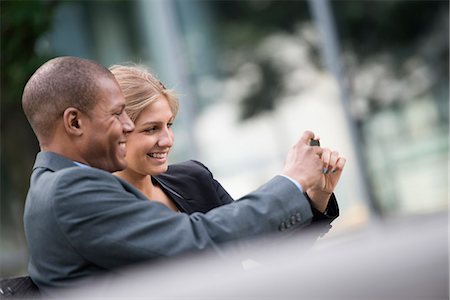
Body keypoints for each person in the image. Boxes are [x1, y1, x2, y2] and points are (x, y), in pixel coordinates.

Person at [22, 56, 346, 294]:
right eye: (119, 116)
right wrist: (291, 182)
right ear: (75, 123)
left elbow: (262, 248)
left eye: (169, 125)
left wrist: (314, 194)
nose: (125, 126)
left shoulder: (63, 184)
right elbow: (197, 241)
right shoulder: (68, 189)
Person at [109, 64, 233, 213]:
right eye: (151, 129)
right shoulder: (100, 216)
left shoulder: (195, 179)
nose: (168, 141)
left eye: (169, 125)